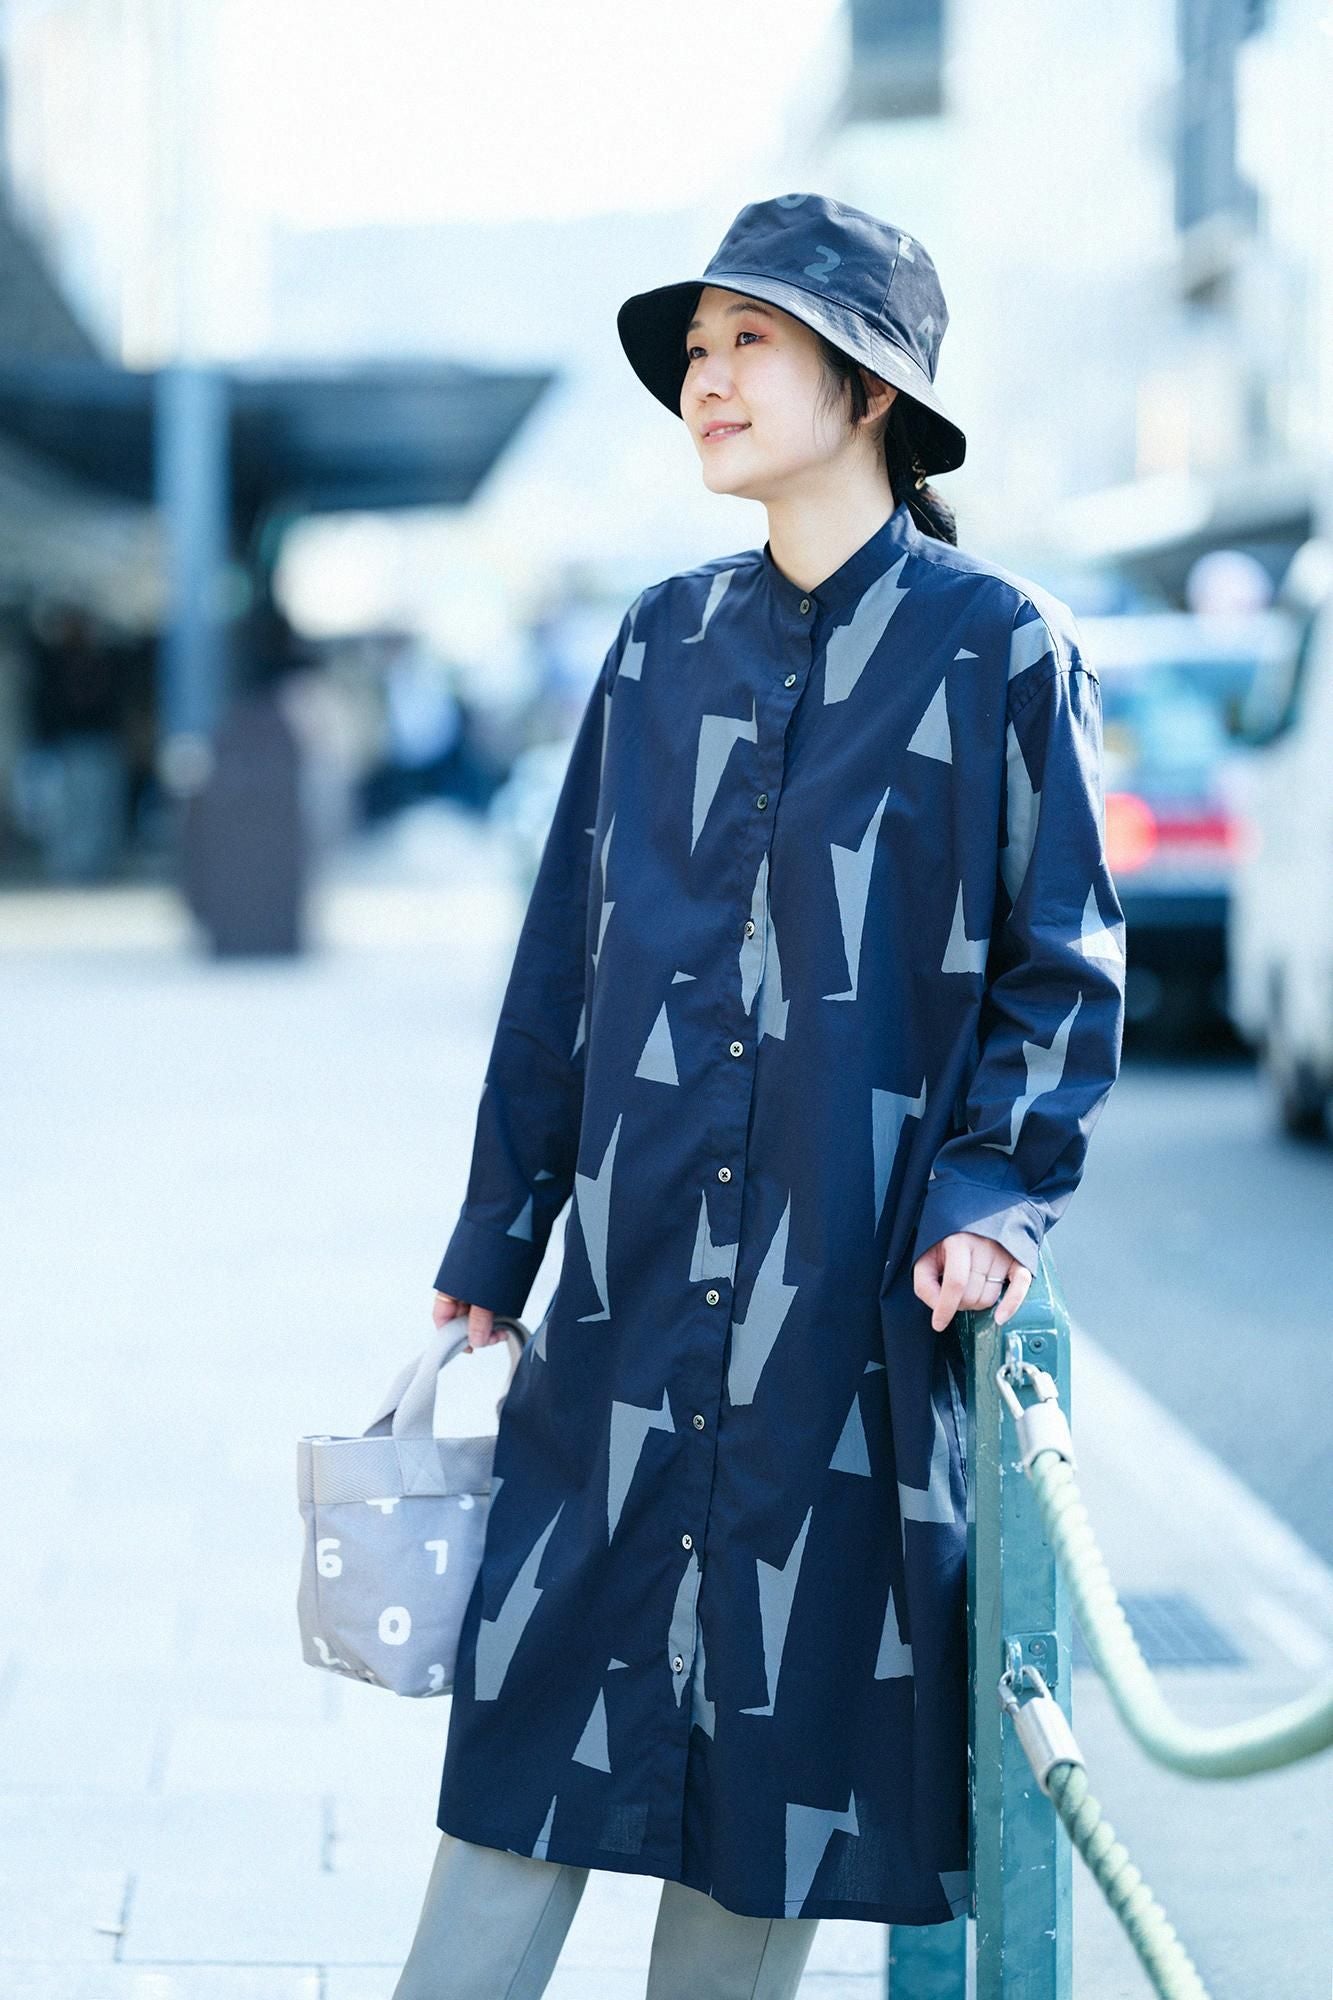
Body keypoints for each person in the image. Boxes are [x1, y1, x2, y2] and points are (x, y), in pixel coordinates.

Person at [393, 192, 1126, 1998]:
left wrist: (984, 1201)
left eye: (749, 344)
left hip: (841, 1343)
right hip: (624, 1317)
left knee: (770, 1794)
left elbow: (1062, 967)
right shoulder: (654, 645)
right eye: (696, 349)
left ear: (864, 388)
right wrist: (500, 1232)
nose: (705, 381)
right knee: (524, 1753)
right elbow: (564, 963)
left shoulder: (998, 653)